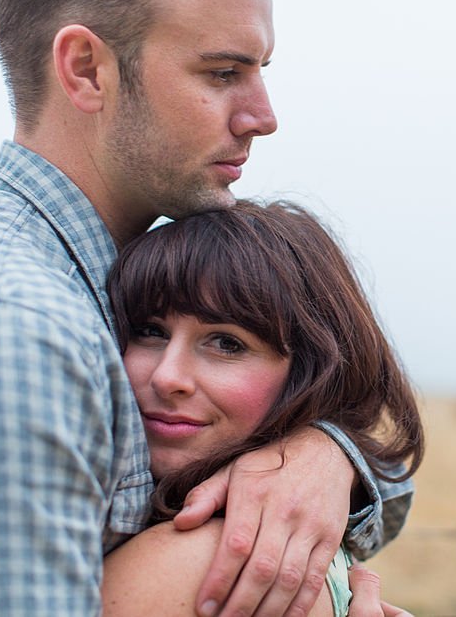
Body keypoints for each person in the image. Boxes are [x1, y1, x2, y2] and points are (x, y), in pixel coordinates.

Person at [0, 0, 412, 615]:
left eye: (260, 71)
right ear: (86, 71)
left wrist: (321, 454)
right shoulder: (15, 338)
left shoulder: (107, 288)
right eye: (223, 73)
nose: (264, 115)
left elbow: (390, 477)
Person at [100, 201, 424, 616]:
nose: (168, 377)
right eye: (150, 331)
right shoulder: (302, 525)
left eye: (226, 343)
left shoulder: (204, 561)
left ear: (309, 375)